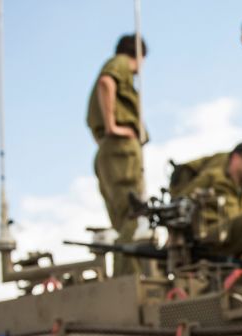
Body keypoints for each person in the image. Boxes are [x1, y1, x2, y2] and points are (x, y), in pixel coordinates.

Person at [88, 34, 148, 277]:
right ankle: (127, 279)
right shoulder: (121, 63)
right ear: (139, 55)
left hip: (109, 149)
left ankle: (125, 276)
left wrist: (107, 134)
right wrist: (114, 128)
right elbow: (106, 82)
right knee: (136, 215)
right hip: (121, 148)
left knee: (124, 220)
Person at [175, 142, 242, 266]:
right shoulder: (213, 177)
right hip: (210, 236)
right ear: (236, 158)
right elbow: (180, 202)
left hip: (231, 239)